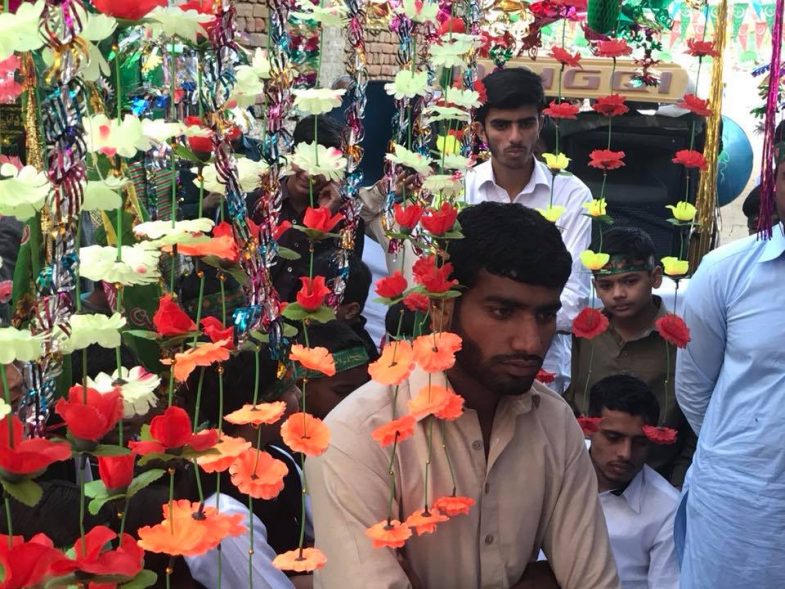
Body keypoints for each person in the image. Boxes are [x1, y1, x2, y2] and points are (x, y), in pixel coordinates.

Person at [306, 202, 619, 588]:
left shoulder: (554, 422)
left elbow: (594, 582)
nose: (531, 341)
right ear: (442, 309)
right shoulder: (357, 434)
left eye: (544, 315)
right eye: (503, 311)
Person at [675, 141, 785, 588]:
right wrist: (751, 454)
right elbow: (694, 386)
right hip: (741, 506)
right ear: (775, 182)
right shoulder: (725, 272)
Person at [464, 67, 592, 393]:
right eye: (501, 125)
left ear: (541, 122)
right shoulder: (459, 190)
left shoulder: (570, 193)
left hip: (542, 370)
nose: (515, 138)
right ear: (480, 129)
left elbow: (574, 300)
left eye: (526, 123)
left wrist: (496, 311)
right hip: (469, 366)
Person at [565, 227, 694, 486]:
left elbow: (692, 422)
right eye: (606, 285)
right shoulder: (586, 332)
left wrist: (677, 484)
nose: (618, 294)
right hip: (585, 475)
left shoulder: (681, 340)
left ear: (655, 277)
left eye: (630, 281)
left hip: (657, 477)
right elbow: (573, 397)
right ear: (595, 286)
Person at [587, 375, 680, 589]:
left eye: (640, 443)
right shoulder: (558, 470)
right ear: (588, 429)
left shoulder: (666, 510)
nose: (625, 454)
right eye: (613, 437)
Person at [270, 115, 364, 302]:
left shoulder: (347, 222)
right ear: (292, 153)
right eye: (305, 161)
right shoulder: (260, 203)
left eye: (320, 166)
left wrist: (324, 218)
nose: (309, 173)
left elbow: (340, 287)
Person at [297, 320, 371, 420]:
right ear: (302, 385)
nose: (358, 401)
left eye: (363, 390)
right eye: (344, 391)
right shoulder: (274, 432)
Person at [312, 252, 379, 362]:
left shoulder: (357, 358)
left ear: (350, 311)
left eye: (321, 300)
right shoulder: (314, 331)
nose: (307, 303)